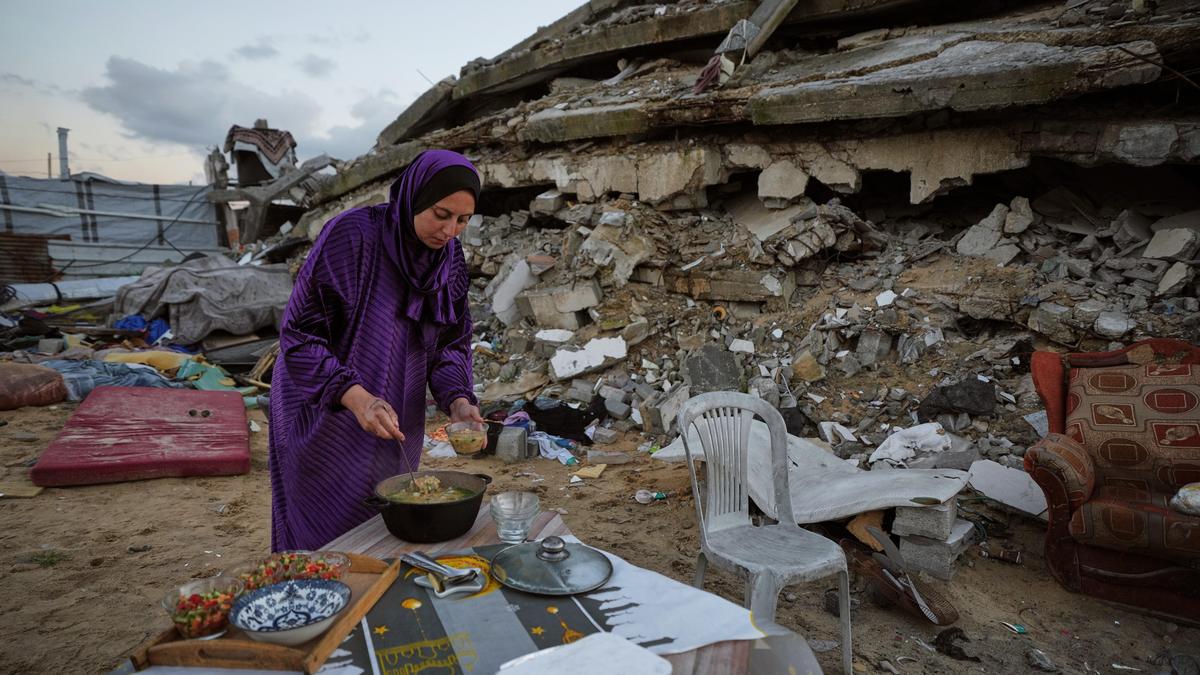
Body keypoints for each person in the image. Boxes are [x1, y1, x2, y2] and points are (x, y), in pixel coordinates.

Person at [269, 149, 485, 551]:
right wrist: (356, 398)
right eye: (441, 214)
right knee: (322, 529)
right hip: (325, 408)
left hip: (396, 412)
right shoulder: (352, 237)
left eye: (463, 220)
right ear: (415, 197)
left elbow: (450, 343)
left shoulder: (449, 260)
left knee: (387, 516)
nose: (450, 231)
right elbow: (300, 335)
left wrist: (457, 399)